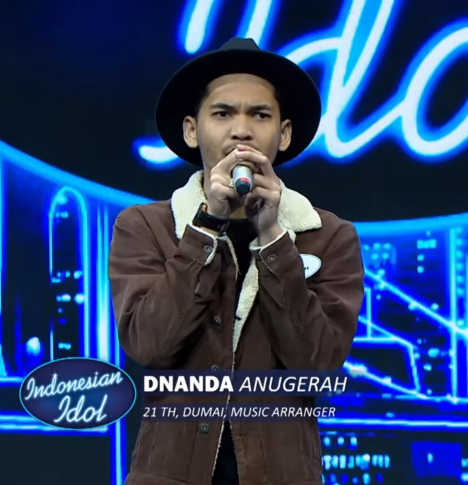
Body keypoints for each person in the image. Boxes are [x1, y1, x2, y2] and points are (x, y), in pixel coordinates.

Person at [109, 37, 365, 485]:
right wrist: (206, 225)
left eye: (260, 115)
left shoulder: (329, 236)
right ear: (192, 130)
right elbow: (149, 344)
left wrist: (273, 237)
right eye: (223, 113)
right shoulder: (145, 226)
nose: (241, 130)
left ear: (284, 134)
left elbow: (317, 367)